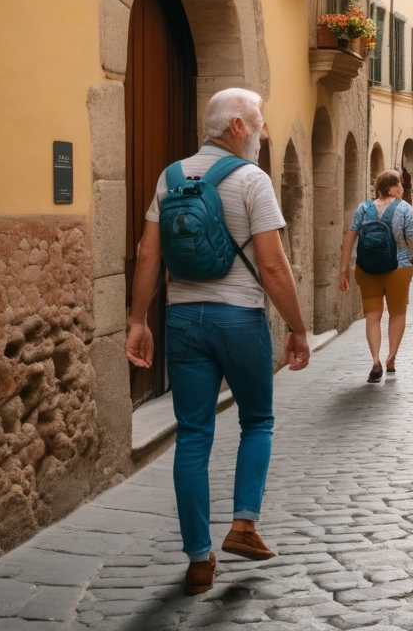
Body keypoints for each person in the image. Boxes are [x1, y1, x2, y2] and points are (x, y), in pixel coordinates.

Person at [125, 88, 311, 596]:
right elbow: (272, 266)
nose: (265, 131)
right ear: (236, 127)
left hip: (183, 321)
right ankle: (244, 525)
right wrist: (297, 327)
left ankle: (198, 559)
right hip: (238, 321)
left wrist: (137, 320)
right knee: (257, 421)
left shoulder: (170, 177)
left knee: (193, 436)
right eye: (259, 122)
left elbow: (147, 254)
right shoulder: (253, 180)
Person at [340, 169, 413, 383]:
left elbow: (350, 236)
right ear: (389, 188)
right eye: (399, 184)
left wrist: (344, 269)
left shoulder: (364, 208)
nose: (402, 188)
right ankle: (391, 356)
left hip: (366, 268)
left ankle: (375, 361)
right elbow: (411, 238)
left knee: (372, 316)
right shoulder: (404, 208)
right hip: (398, 267)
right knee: (397, 313)